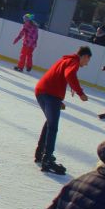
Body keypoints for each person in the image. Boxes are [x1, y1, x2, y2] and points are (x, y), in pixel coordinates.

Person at [34, 46, 92, 175]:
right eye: (87, 61)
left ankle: (41, 153)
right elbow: (69, 75)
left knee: (50, 123)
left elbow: (58, 77)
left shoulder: (65, 60)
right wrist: (80, 93)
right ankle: (47, 160)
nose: (86, 64)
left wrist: (58, 100)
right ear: (85, 56)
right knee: (53, 127)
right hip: (50, 94)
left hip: (42, 91)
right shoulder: (74, 62)